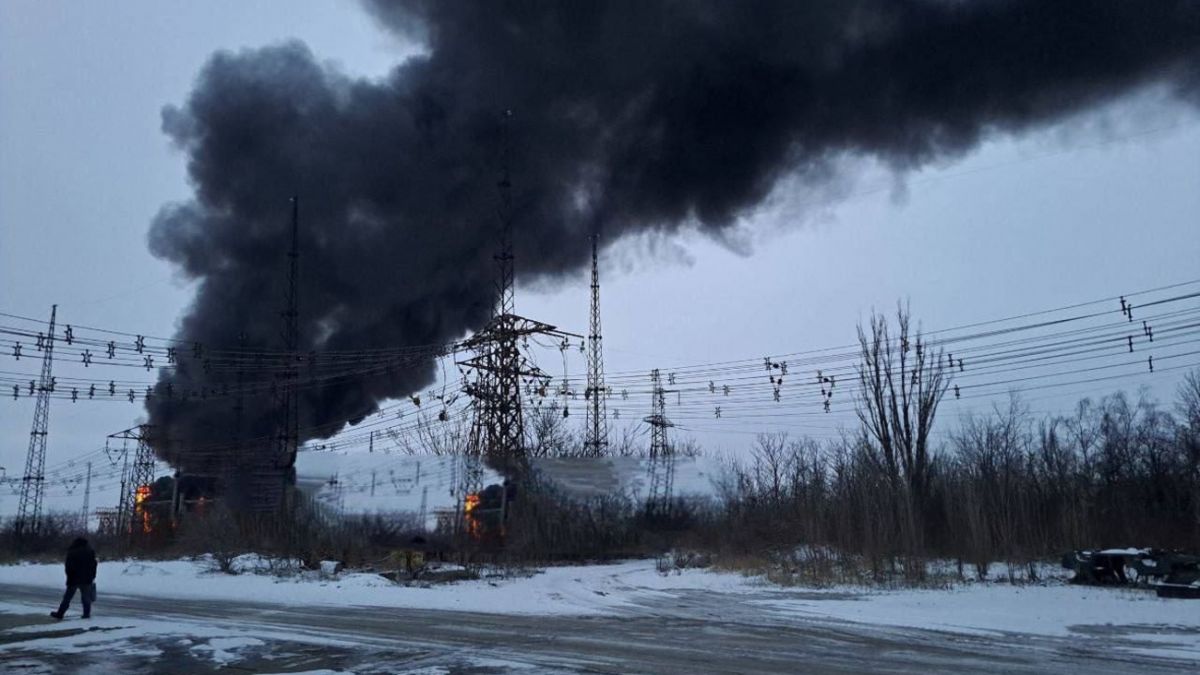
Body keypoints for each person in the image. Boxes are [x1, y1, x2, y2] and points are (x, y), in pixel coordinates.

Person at [50, 537, 97, 620]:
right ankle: (86, 614)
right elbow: (94, 565)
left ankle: (60, 613)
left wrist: (69, 575)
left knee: (67, 597)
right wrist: (92, 576)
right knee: (86, 598)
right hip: (87, 578)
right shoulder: (90, 552)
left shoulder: (72, 552)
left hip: (74, 578)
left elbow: (69, 566)